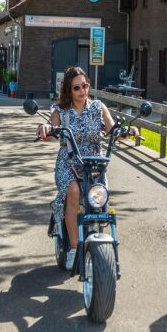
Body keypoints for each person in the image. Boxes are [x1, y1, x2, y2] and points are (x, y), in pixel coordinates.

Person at [37, 66, 115, 270]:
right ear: (68, 91)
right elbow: (49, 128)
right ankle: (73, 248)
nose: (82, 90)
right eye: (77, 87)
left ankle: (101, 247)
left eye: (85, 85)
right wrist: (46, 129)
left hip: (94, 166)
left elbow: (112, 128)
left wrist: (127, 131)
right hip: (68, 163)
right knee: (73, 191)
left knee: (99, 201)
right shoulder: (61, 111)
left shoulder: (98, 107)